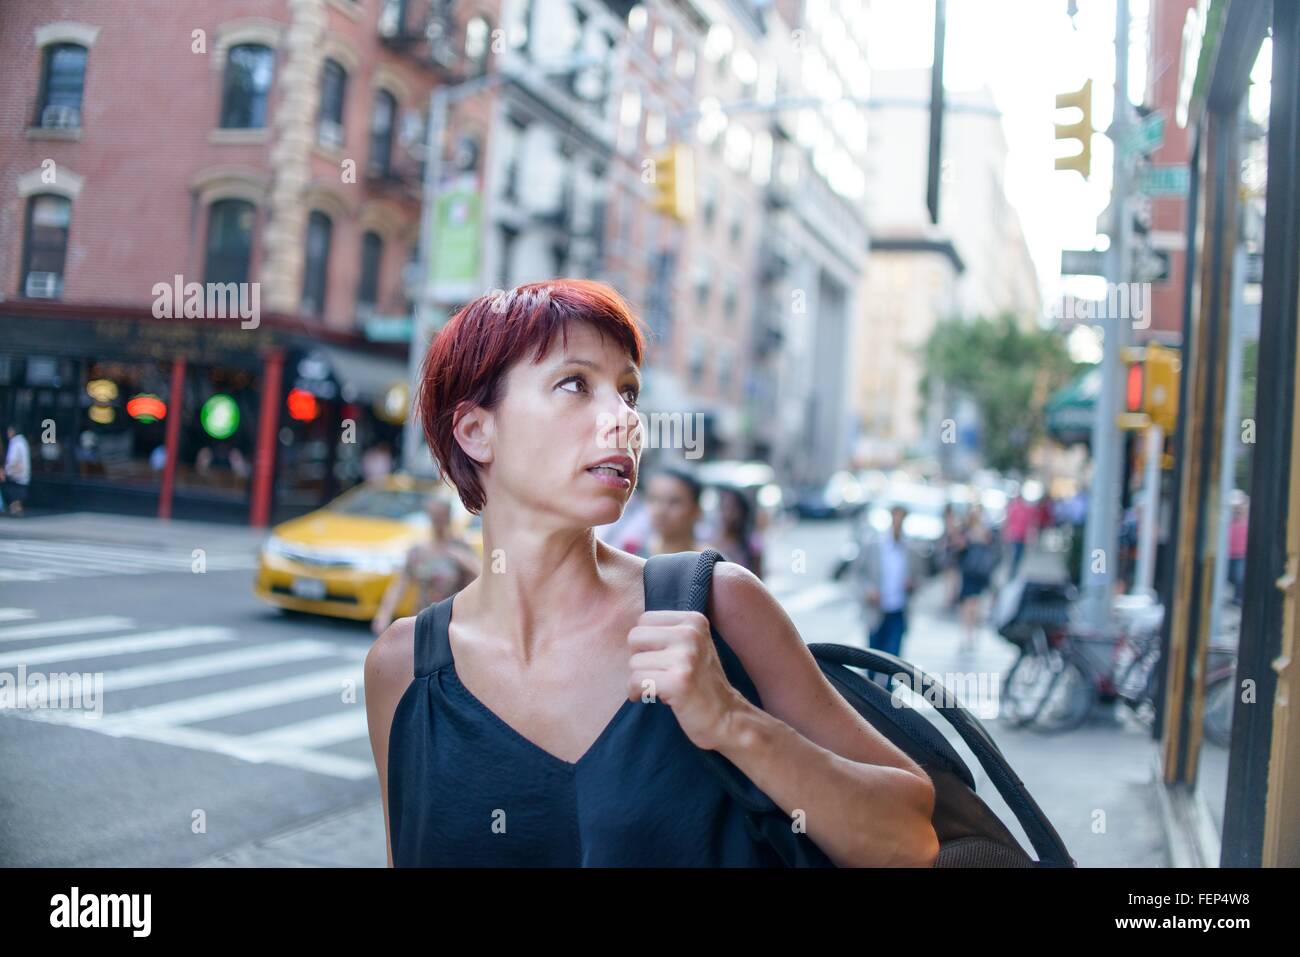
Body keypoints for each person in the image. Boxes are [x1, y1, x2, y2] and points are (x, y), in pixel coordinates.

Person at [363, 279, 937, 868]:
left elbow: (912, 839)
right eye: (574, 384)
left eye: (629, 392)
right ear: (476, 431)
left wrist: (734, 722)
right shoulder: (401, 669)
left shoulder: (714, 603)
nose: (624, 421)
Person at [371, 495, 479, 637]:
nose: (437, 521)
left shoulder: (460, 547)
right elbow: (400, 584)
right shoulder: (419, 551)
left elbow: (481, 576)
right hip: (422, 618)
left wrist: (462, 559)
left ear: (448, 517)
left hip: (452, 622)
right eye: (434, 516)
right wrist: (384, 614)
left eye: (441, 516)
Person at [855, 505, 923, 688]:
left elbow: (920, 577)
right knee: (872, 657)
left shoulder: (911, 549)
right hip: (877, 610)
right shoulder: (874, 546)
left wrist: (912, 585)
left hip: (898, 609)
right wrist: (868, 591)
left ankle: (886, 699)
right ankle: (869, 697)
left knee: (893, 660)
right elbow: (858, 574)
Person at [956, 506, 998, 654]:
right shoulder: (967, 531)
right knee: (969, 604)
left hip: (976, 573)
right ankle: (969, 634)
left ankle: (970, 634)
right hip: (970, 572)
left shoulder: (982, 532)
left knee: (972, 604)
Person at [643, 467, 706, 556]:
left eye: (674, 501)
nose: (660, 511)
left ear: (696, 510)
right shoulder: (633, 554)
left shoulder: (710, 564)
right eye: (654, 499)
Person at [709, 486, 764, 579]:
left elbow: (759, 579)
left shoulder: (752, 544)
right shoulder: (710, 542)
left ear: (742, 512)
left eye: (733, 509)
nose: (728, 514)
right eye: (724, 508)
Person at [1003, 491, 1036, 579]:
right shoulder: (1018, 508)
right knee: (1015, 556)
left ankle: (1013, 572)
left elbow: (1029, 524)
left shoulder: (1022, 509)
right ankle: (1012, 573)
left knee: (1017, 556)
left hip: (1019, 536)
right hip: (1017, 536)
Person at [2, 426, 32, 517]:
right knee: (18, 492)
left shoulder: (15, 443)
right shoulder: (23, 442)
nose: (8, 434)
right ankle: (15, 509)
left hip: (16, 474)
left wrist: (6, 470)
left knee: (13, 492)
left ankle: (14, 508)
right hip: (23, 474)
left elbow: (12, 460)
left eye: (9, 432)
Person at [1227, 493, 1249, 605]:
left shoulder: (1248, 523)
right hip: (1230, 554)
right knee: (1231, 576)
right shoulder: (1230, 523)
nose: (1239, 510)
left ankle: (1238, 597)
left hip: (1241, 554)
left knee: (1239, 577)